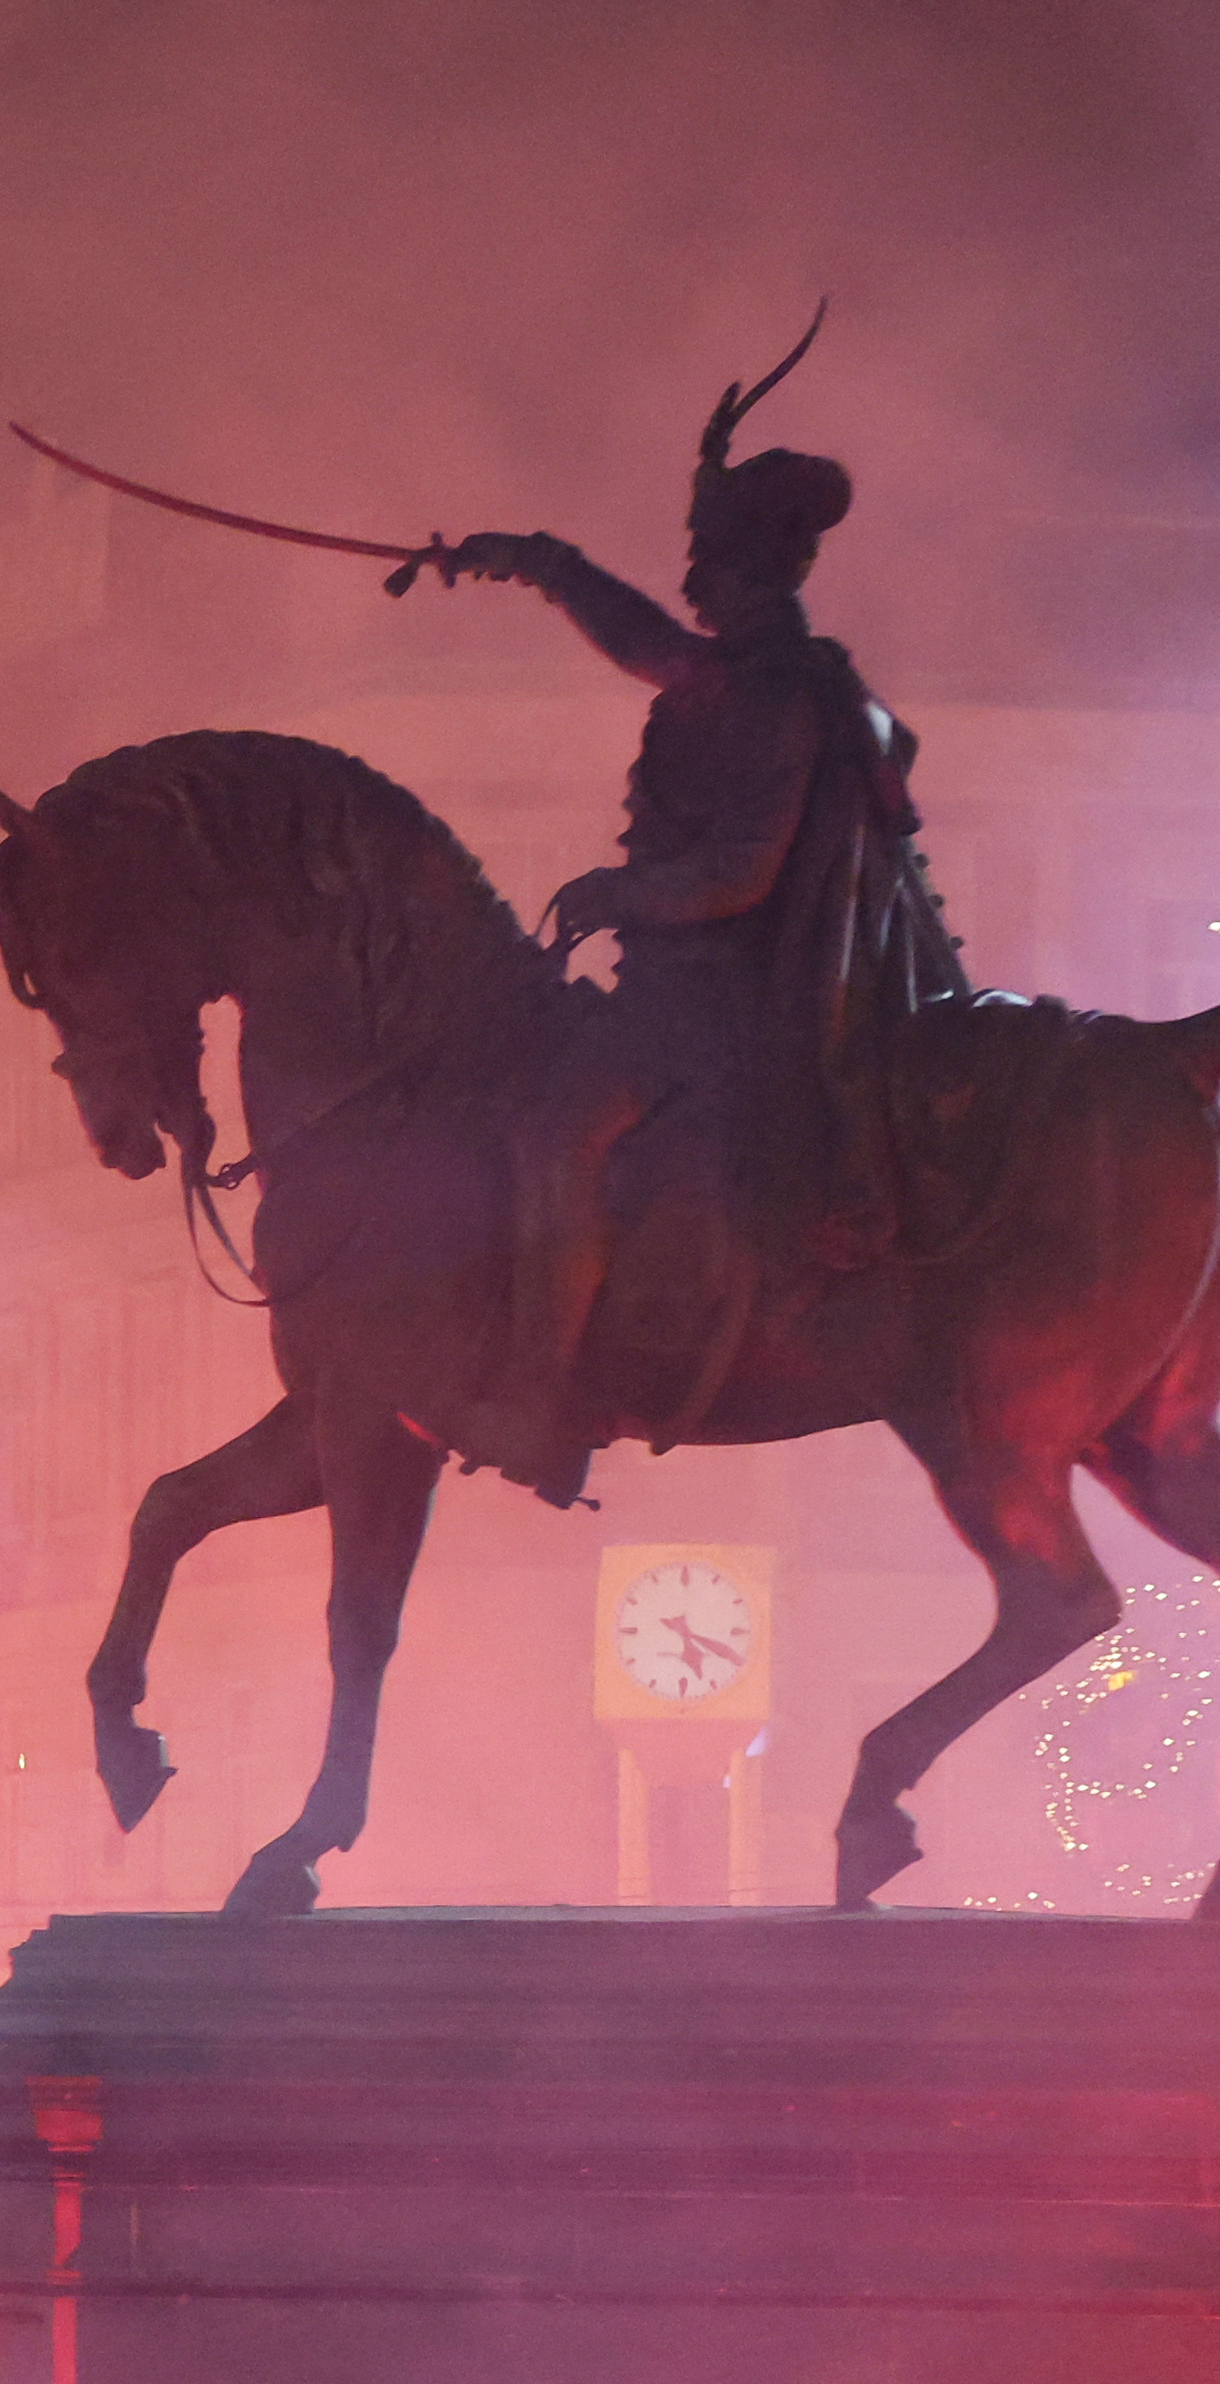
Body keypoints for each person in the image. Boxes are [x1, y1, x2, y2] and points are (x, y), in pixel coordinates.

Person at [416, 319, 972, 1503]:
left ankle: (540, 1393)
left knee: (558, 1130)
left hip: (720, 1005)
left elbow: (741, 875)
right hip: (679, 985)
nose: (689, 581)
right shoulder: (731, 674)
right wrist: (530, 557)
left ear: (756, 570)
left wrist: (619, 890)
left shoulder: (778, 701)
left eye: (707, 559)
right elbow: (646, 642)